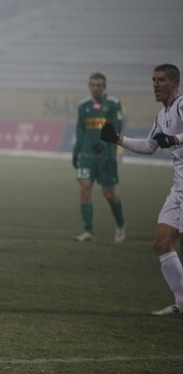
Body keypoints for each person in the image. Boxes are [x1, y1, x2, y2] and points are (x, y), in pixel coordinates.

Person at [101, 63, 183, 316]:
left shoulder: (181, 105)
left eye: (160, 80)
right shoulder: (162, 115)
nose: (155, 85)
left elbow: (173, 139)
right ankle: (181, 302)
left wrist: (176, 139)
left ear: (175, 83)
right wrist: (118, 139)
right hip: (179, 187)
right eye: (153, 80)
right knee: (162, 242)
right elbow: (149, 146)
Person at [72, 72, 126, 242]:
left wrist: (105, 144)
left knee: (108, 193)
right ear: (89, 86)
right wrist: (76, 151)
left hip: (106, 157)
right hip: (87, 156)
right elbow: (80, 130)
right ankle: (88, 231)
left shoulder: (113, 104)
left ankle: (120, 225)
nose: (96, 88)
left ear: (104, 87)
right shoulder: (83, 106)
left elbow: (117, 127)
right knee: (84, 188)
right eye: (93, 85)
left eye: (99, 85)